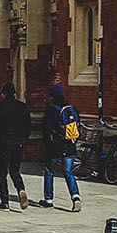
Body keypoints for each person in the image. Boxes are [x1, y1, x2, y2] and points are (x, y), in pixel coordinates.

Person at [0, 82, 31, 211]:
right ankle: (21, 190)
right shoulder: (22, 107)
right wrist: (23, 140)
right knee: (15, 171)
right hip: (18, 143)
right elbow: (28, 126)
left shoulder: (0, 107)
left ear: (3, 94)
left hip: (4, 144)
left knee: (2, 173)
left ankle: (5, 202)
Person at [41, 82, 81, 212]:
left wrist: (47, 145)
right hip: (70, 146)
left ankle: (48, 199)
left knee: (49, 171)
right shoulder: (71, 108)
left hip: (55, 147)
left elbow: (46, 130)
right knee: (68, 173)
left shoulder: (51, 110)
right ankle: (76, 197)